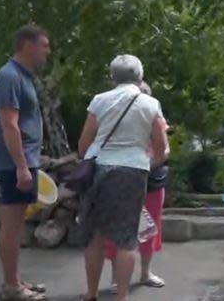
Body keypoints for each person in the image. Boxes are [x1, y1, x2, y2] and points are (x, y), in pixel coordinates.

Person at [77, 55, 169, 301]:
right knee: (126, 238)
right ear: (140, 76)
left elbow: (84, 143)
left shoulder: (99, 100)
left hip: (100, 168)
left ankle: (92, 292)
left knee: (95, 234)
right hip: (133, 171)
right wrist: (145, 165)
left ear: (112, 76)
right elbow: (161, 148)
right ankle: (122, 296)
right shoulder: (151, 104)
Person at [0, 25, 51, 301]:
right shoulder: (9, 77)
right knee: (12, 226)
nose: (47, 52)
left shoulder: (22, 77)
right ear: (27, 45)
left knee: (16, 225)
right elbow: (9, 125)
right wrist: (22, 166)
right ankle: (11, 288)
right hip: (14, 164)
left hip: (23, 161)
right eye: (44, 45)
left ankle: (16, 280)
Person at [104, 82, 169, 293]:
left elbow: (165, 150)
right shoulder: (115, 118)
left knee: (150, 227)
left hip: (151, 180)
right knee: (117, 230)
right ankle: (116, 279)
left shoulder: (156, 118)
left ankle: (145, 272)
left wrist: (146, 165)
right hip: (122, 180)